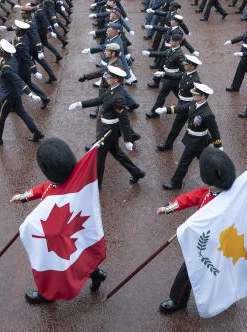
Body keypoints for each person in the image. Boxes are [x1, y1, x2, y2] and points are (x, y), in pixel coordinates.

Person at [9, 138, 108, 303]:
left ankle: (47, 294)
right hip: (70, 229)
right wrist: (25, 197)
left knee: (52, 263)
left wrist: (28, 225)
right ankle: (96, 274)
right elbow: (45, 187)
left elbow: (46, 193)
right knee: (80, 254)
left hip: (57, 235)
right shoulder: (71, 181)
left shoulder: (60, 189)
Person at [155, 147, 236, 313]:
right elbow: (190, 197)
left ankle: (178, 300)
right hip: (206, 239)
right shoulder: (209, 190)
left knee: (189, 270)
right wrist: (169, 207)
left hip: (213, 243)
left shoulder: (227, 199)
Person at [68, 65, 144, 184]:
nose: (107, 77)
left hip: (109, 131)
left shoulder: (118, 97)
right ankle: (136, 173)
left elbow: (124, 119)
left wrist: (128, 139)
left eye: (110, 76)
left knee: (99, 156)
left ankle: (96, 184)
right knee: (116, 152)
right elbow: (99, 100)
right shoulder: (112, 88)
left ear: (116, 79)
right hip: (108, 128)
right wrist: (80, 104)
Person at [154, 83, 222, 190]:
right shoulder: (194, 103)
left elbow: (214, 130)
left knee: (183, 162)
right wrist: (165, 110)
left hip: (197, 142)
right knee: (206, 162)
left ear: (203, 96)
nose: (193, 95)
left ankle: (176, 182)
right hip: (195, 140)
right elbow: (181, 108)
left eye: (196, 94)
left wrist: (218, 145)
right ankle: (219, 178)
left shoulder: (207, 113)